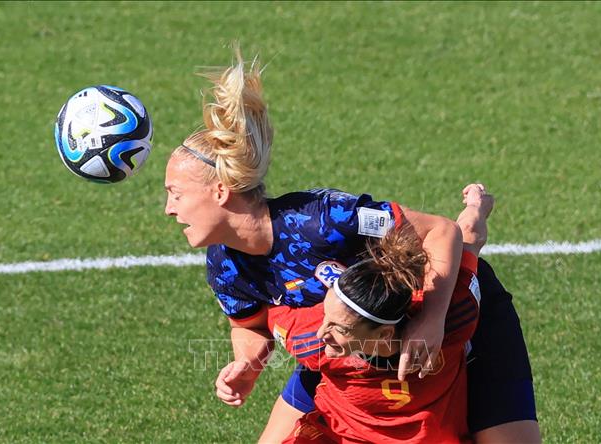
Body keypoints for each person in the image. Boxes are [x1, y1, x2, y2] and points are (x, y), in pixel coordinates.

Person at [164, 47, 540, 443]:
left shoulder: (321, 220)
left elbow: (442, 232)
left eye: (175, 193)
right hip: (343, 347)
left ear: (220, 191)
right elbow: (250, 325)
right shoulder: (224, 264)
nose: (169, 209)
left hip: (449, 317)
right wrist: (247, 363)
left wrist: (432, 318)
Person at [224, 184, 490, 443]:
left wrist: (477, 206)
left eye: (339, 328)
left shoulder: (455, 315)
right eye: (326, 317)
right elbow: (255, 319)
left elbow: (468, 237)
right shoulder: (308, 337)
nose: (322, 332)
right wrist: (245, 363)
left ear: (384, 333)